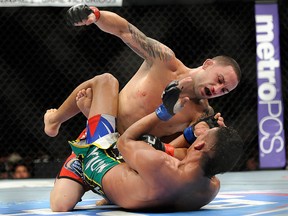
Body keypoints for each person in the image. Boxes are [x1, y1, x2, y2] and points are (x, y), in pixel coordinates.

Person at [46, 4, 242, 211]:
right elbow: (125, 30)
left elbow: (185, 156)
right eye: (219, 80)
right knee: (107, 81)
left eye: (225, 90)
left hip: (130, 161)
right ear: (208, 64)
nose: (218, 89)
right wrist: (97, 15)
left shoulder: (203, 115)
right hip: (100, 134)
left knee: (63, 204)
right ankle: (54, 120)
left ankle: (110, 190)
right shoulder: (165, 61)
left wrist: (215, 135)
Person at [60, 73, 243, 211]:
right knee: (163, 149)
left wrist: (162, 113)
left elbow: (125, 141)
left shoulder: (159, 164)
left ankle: (60, 123)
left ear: (200, 145)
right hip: (130, 186)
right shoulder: (211, 188)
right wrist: (203, 136)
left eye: (202, 137)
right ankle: (93, 121)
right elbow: (208, 156)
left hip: (99, 159)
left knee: (106, 81)